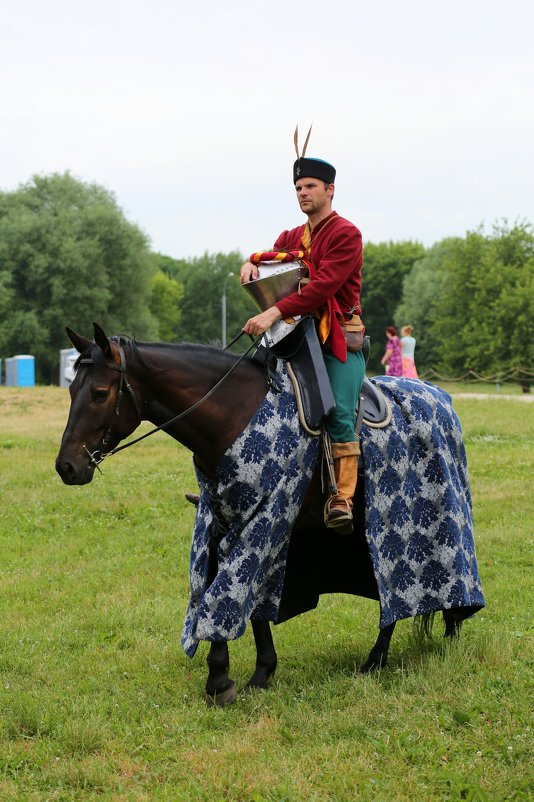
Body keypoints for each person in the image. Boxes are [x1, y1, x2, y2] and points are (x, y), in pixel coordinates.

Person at [241, 142, 365, 534]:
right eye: (298, 188)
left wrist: (273, 311)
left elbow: (322, 286)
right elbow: (273, 261)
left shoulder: (347, 234)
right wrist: (250, 263)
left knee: (338, 411)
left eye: (310, 186)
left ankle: (342, 497)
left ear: (330, 190)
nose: (303, 193)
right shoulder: (291, 235)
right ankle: (241, 487)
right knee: (251, 399)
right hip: (293, 336)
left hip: (336, 339)